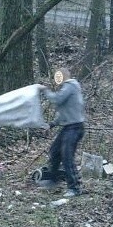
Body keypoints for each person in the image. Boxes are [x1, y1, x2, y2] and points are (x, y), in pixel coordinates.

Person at [37, 68, 85, 196]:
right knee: (54, 151)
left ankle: (75, 188)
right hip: (69, 127)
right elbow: (64, 113)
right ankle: (53, 180)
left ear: (64, 76)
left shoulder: (70, 86)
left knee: (67, 156)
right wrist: (51, 125)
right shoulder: (67, 89)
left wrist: (44, 90)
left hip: (75, 127)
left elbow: (57, 99)